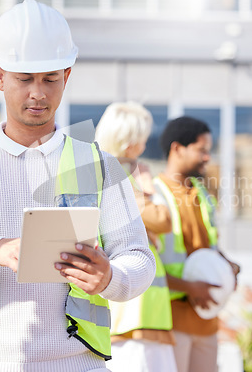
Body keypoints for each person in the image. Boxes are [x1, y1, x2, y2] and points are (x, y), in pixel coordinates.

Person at [0, 0, 155, 372]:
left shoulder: (98, 165)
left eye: (50, 79)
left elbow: (139, 259)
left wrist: (110, 278)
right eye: (24, 78)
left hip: (78, 365)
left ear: (67, 77)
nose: (38, 93)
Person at [95, 101, 177, 372]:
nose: (143, 145)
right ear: (130, 141)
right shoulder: (118, 177)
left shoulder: (99, 172)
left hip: (140, 310)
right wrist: (146, 186)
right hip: (132, 313)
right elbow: (162, 219)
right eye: (140, 138)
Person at [155, 116, 239, 372]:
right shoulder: (155, 196)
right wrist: (189, 287)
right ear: (177, 149)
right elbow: (148, 266)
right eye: (201, 150)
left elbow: (208, 245)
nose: (207, 158)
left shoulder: (202, 193)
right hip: (171, 321)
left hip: (207, 320)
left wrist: (227, 266)